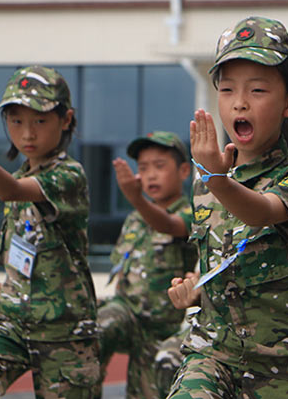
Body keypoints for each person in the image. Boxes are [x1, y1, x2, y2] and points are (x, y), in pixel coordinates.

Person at [164, 16, 288, 398]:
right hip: (211, 351)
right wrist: (193, 287)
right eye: (228, 89)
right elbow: (215, 257)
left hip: (279, 361)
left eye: (257, 90)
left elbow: (261, 212)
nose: (239, 102)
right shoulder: (206, 183)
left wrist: (219, 180)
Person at [0, 65, 100, 398]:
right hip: (17, 323)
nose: (27, 134)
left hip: (66, 332)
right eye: (16, 121)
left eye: (40, 121)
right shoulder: (19, 176)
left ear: (66, 119)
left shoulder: (68, 176)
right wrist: (10, 285)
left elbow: (12, 191)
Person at [156, 221, 288, 398]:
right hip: (214, 342)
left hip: (273, 349)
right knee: (169, 358)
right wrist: (196, 289)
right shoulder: (208, 205)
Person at [97, 131, 197, 398]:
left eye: (160, 166)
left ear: (184, 171)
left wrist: (136, 199)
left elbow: (169, 225)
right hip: (129, 319)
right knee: (94, 330)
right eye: (143, 168)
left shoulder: (192, 213)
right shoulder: (134, 219)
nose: (150, 175)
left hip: (166, 330)